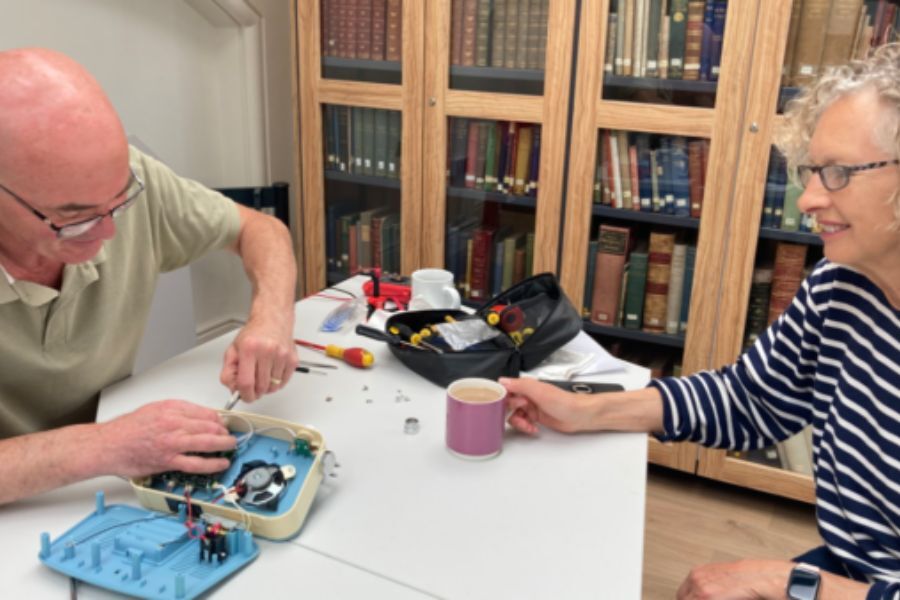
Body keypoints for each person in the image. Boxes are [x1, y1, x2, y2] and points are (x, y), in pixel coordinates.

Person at [503, 43, 900, 600]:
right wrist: (585, 410)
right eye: (811, 171)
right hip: (853, 573)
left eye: (837, 173)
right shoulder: (841, 290)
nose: (807, 199)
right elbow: (751, 399)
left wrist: (787, 583)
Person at [0, 48, 299, 505]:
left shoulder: (130, 183)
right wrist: (104, 445)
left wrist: (271, 317)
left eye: (120, 199)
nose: (110, 231)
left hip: (98, 488)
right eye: (74, 217)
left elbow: (261, 230)